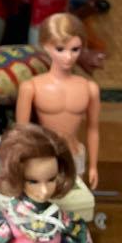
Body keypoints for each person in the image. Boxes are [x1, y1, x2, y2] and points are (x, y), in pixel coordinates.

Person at [16, 13, 100, 188]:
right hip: (43, 157)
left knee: (77, 201)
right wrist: (20, 164)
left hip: (75, 155)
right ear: (45, 46)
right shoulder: (31, 87)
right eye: (60, 49)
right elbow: (22, 132)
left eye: (75, 49)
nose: (68, 57)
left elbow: (93, 129)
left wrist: (93, 166)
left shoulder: (89, 88)